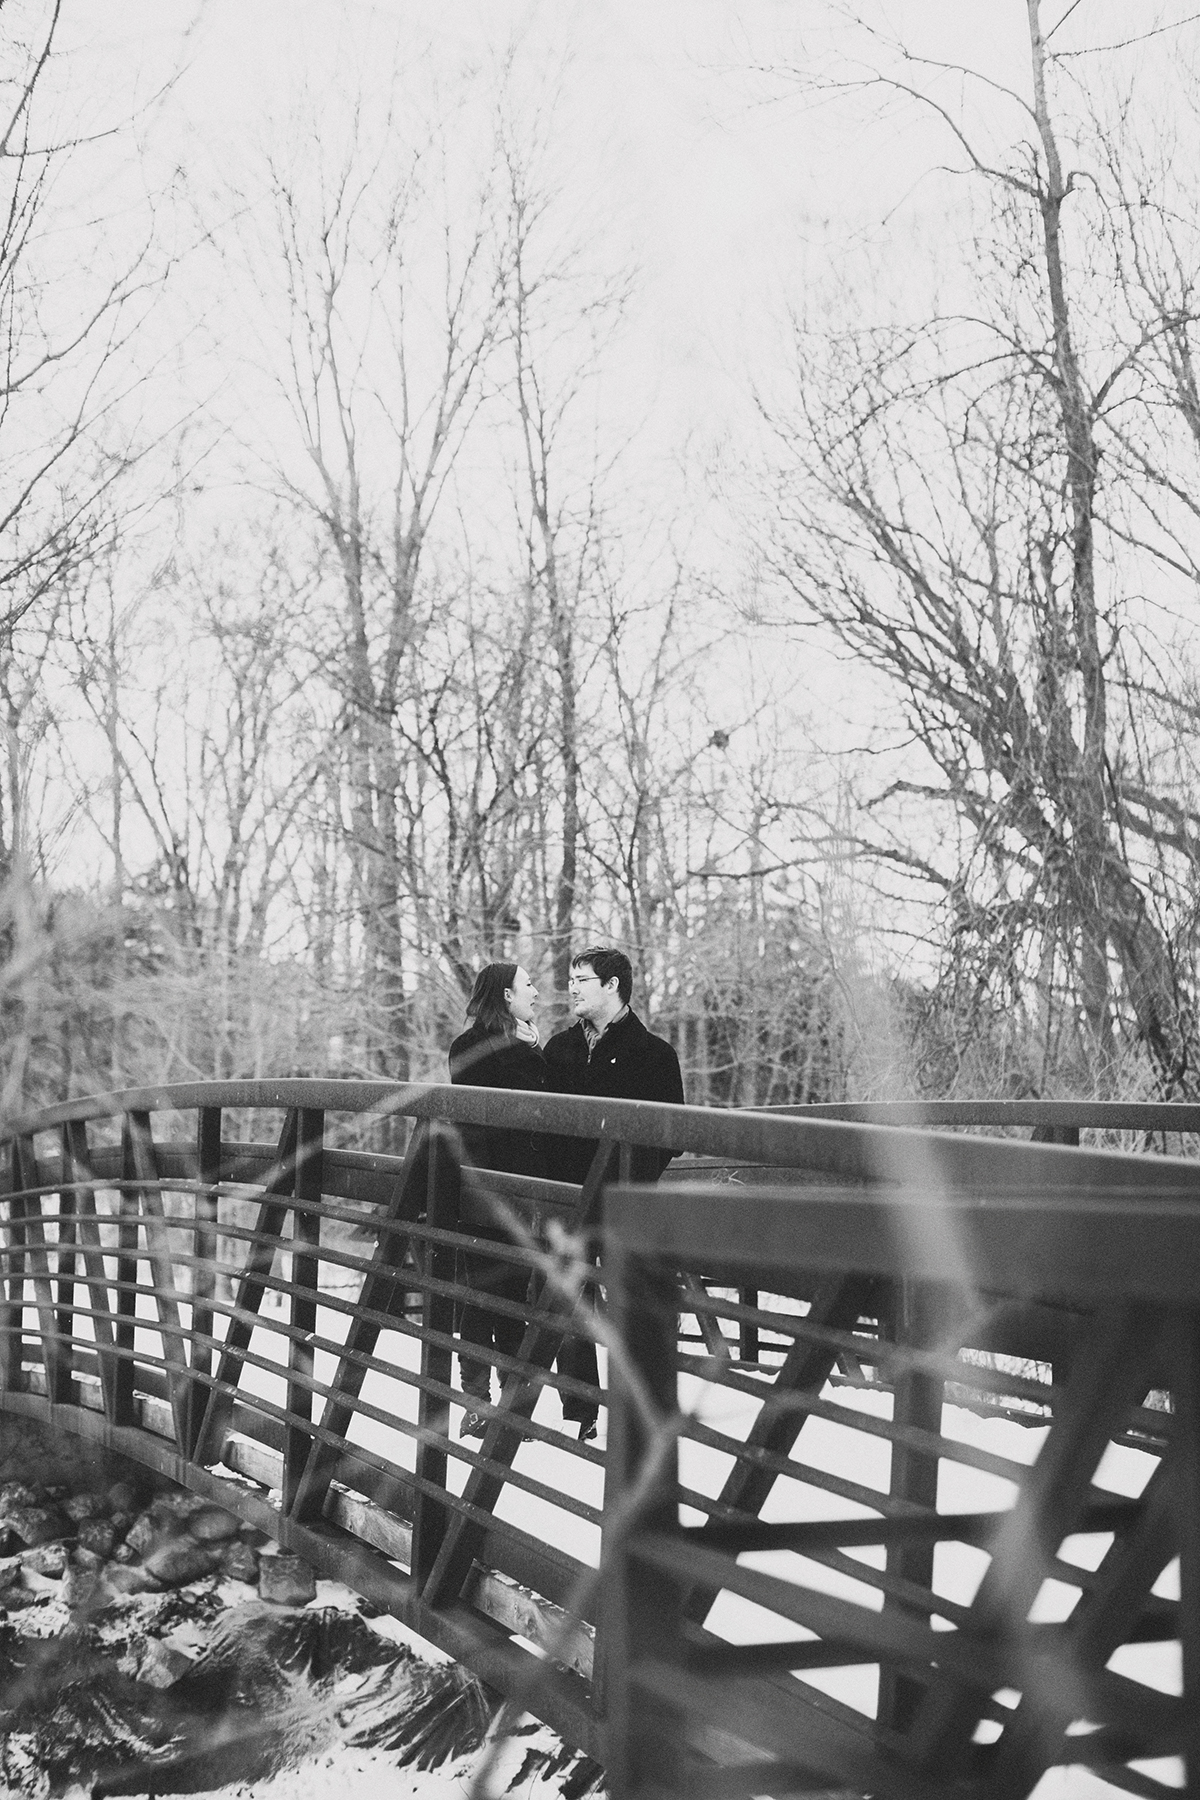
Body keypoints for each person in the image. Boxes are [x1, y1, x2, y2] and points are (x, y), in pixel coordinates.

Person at [543, 945, 685, 1439]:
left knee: (631, 1306)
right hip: (566, 1199)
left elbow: (673, 1135)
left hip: (626, 1201)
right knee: (568, 1299)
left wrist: (631, 1180)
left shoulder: (655, 1054)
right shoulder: (557, 1050)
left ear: (612, 986)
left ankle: (642, 1415)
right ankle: (580, 1414)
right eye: (572, 978)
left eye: (582, 978)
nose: (572, 987)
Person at [449, 962, 546, 1439]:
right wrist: (532, 1052)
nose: (536, 992)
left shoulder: (463, 1046)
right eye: (528, 985)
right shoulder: (518, 1051)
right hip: (512, 1187)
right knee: (511, 1294)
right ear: (507, 996)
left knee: (480, 1293)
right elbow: (537, 1110)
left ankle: (476, 1403)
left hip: (473, 1188)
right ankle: (510, 1411)